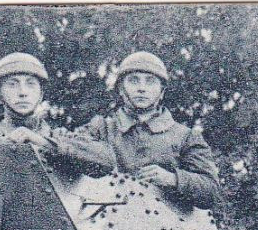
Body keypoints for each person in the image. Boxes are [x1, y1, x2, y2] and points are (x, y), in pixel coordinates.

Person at [78, 51, 221, 210]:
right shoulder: (100, 128)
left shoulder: (186, 137)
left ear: (162, 92)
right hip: (103, 225)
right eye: (133, 81)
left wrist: (173, 179)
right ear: (120, 89)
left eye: (150, 81)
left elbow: (212, 191)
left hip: (166, 229)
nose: (142, 88)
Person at [0, 52, 114, 176]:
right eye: (12, 84)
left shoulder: (59, 138)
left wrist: (41, 141)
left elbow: (106, 161)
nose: (23, 92)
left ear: (41, 93)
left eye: (31, 84)